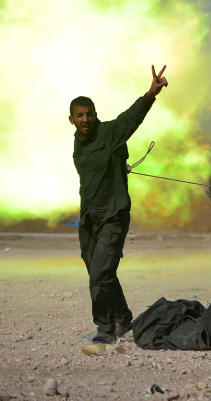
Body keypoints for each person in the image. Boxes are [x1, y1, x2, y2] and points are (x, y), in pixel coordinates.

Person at [70, 65, 168, 344]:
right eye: (80, 116)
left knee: (100, 274)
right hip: (90, 219)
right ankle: (123, 319)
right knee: (101, 271)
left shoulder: (109, 132)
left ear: (95, 115)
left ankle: (105, 329)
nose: (85, 119)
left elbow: (131, 119)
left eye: (89, 114)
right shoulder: (78, 142)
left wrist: (151, 93)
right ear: (72, 120)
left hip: (113, 216)